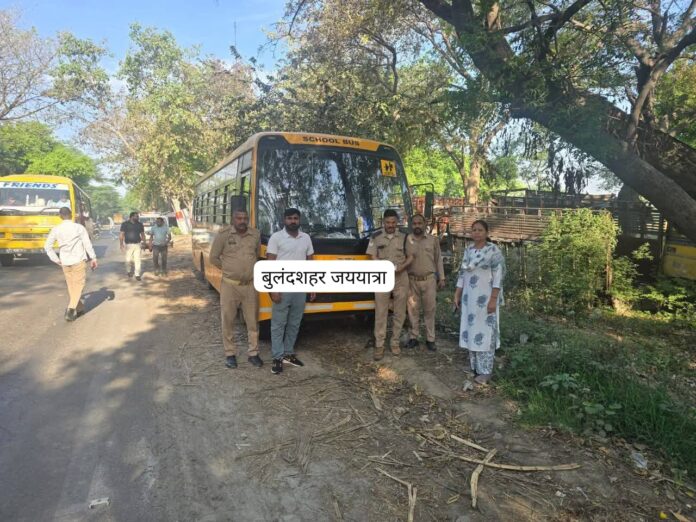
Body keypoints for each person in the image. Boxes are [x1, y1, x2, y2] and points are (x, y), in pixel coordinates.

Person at [209, 208, 263, 369]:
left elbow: (256, 255)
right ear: (233, 219)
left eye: (245, 218)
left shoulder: (255, 235)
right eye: (239, 218)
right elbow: (213, 257)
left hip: (250, 286)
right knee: (228, 320)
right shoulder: (223, 235)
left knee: (252, 321)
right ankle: (230, 354)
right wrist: (227, 269)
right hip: (229, 286)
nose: (242, 221)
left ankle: (253, 353)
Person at [453, 220, 505, 385]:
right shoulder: (468, 250)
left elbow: (498, 277)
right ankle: (475, 367)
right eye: (474, 230)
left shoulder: (493, 251)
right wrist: (457, 294)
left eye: (480, 230)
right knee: (472, 331)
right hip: (469, 300)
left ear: (487, 233)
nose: (476, 233)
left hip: (486, 299)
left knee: (485, 333)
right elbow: (462, 274)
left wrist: (493, 300)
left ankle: (486, 372)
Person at [267, 208, 315, 375]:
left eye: (295, 218)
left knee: (294, 323)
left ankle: (288, 354)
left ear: (299, 220)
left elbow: (310, 262)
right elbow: (270, 265)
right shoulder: (276, 238)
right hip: (282, 287)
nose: (293, 221)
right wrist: (273, 289)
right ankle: (277, 357)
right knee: (278, 324)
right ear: (284, 220)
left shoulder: (306, 238)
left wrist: (312, 285)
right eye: (289, 218)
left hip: (300, 287)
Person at [366, 209, 413, 361]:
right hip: (382, 277)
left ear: (397, 222)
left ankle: (395, 342)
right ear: (383, 222)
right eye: (388, 222)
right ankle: (379, 345)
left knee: (400, 312)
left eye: (393, 222)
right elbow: (372, 256)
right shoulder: (376, 236)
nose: (391, 225)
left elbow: (411, 257)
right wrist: (383, 266)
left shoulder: (405, 236)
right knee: (381, 312)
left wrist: (402, 266)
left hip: (400, 277)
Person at [44, 206, 98, 321]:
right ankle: (71, 309)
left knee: (72, 287)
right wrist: (93, 258)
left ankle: (80, 308)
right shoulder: (79, 228)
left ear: (60, 216)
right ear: (71, 215)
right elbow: (87, 244)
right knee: (78, 285)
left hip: (64, 261)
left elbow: (47, 247)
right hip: (78, 260)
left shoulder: (56, 229)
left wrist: (56, 259)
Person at [406, 214, 445, 352]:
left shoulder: (433, 240)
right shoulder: (407, 240)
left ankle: (430, 339)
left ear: (424, 224)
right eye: (414, 223)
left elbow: (438, 259)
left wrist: (442, 278)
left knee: (430, 310)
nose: (417, 226)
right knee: (412, 310)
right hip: (412, 281)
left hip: (429, 280)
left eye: (419, 223)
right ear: (411, 225)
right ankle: (414, 337)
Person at [120, 212, 146, 280]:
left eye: (138, 216)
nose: (138, 217)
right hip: (129, 245)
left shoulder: (140, 224)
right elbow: (122, 234)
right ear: (131, 217)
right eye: (136, 216)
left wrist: (144, 243)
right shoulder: (125, 224)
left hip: (137, 244)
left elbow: (142, 234)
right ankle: (129, 271)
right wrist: (121, 244)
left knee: (137, 260)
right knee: (128, 260)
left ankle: (137, 274)